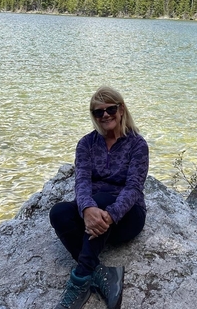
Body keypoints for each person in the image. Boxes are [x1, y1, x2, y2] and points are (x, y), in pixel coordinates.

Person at [50, 86, 149, 309]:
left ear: (121, 109)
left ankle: (79, 280)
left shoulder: (137, 144)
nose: (105, 115)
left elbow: (134, 187)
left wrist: (109, 215)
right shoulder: (86, 144)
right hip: (94, 216)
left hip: (127, 218)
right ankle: (103, 274)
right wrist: (86, 210)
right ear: (94, 116)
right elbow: (82, 181)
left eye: (110, 109)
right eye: (98, 112)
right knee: (58, 213)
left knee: (104, 199)